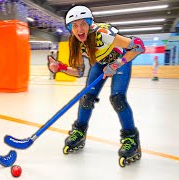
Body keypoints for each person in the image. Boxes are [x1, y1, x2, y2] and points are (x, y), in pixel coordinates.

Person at [47, 5, 145, 167]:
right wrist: (61, 68)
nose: (79, 29)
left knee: (117, 98)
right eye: (75, 25)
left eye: (82, 24)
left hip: (120, 60)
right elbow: (78, 72)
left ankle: (131, 139)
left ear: (89, 24)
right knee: (87, 97)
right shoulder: (76, 43)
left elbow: (138, 46)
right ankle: (79, 132)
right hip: (100, 64)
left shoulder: (102, 34)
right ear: (71, 28)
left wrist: (117, 64)